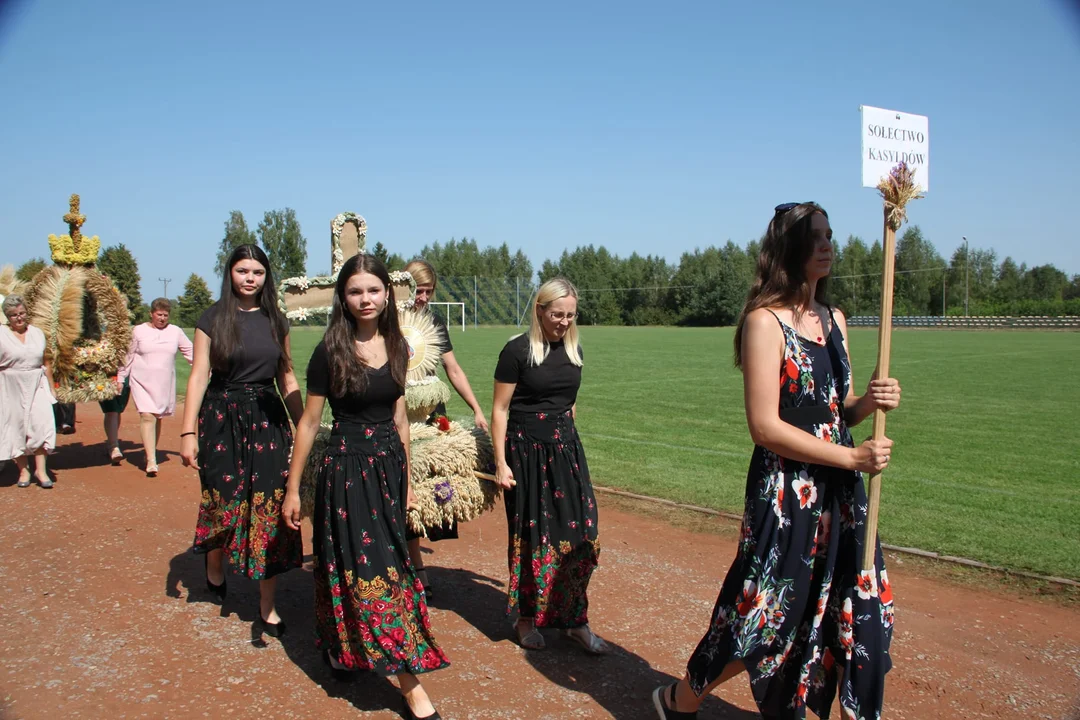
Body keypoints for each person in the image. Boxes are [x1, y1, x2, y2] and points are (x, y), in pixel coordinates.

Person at [652, 203, 902, 720]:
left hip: (842, 491)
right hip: (787, 492)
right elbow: (765, 427)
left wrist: (872, 401)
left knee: (852, 614)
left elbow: (840, 409)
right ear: (789, 247)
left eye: (831, 235)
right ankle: (681, 698)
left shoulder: (835, 320)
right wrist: (851, 456)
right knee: (766, 614)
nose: (828, 245)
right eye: (816, 238)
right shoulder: (764, 323)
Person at [282, 254, 448, 720]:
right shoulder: (328, 351)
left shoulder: (398, 346)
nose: (365, 299)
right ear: (344, 297)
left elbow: (399, 417)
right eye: (355, 291)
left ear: (386, 293)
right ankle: (411, 687)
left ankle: (342, 649)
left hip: (389, 471)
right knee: (361, 567)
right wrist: (294, 489)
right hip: (348, 470)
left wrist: (408, 479)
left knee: (387, 564)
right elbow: (311, 423)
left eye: (373, 290)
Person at [180, 244, 304, 636]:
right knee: (223, 500)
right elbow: (199, 375)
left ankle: (267, 605)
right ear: (230, 273)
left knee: (271, 507)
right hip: (221, 419)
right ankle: (214, 563)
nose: (250, 278)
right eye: (242, 271)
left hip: (268, 420)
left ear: (266, 277)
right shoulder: (212, 319)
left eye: (258, 272)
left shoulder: (275, 320)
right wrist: (187, 432)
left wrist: (305, 426)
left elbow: (286, 376)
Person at [490, 277, 609, 654]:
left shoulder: (576, 352)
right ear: (539, 310)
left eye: (570, 315)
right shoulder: (516, 351)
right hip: (525, 454)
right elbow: (500, 410)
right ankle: (525, 620)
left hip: (566, 452)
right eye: (557, 314)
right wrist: (500, 463)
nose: (563, 321)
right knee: (531, 536)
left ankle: (574, 619)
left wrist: (566, 438)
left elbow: (570, 403)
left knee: (581, 536)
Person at [403, 259, 490, 597]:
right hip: (397, 416)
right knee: (404, 486)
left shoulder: (435, 322)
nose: (422, 298)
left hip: (430, 415)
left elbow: (452, 368)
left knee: (430, 491)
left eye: (427, 292)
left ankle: (413, 559)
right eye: (417, 291)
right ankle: (414, 563)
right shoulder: (386, 319)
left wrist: (476, 408)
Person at [113, 298, 194, 475]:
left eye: (166, 315)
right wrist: (121, 378)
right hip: (142, 380)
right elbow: (128, 356)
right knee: (147, 415)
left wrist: (205, 370)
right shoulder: (138, 331)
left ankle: (150, 451)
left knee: (157, 417)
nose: (162, 318)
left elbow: (190, 351)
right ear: (151, 314)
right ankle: (151, 460)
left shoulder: (175, 331)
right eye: (159, 315)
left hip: (164, 382)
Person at [0, 295, 57, 488]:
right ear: (7, 317)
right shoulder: (1, 334)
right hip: (10, 385)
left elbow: (46, 362)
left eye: (22, 313)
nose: (19, 318)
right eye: (14, 315)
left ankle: (41, 471)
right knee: (16, 427)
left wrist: (51, 387)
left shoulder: (37, 333)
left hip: (36, 382)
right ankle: (23, 471)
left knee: (41, 423)